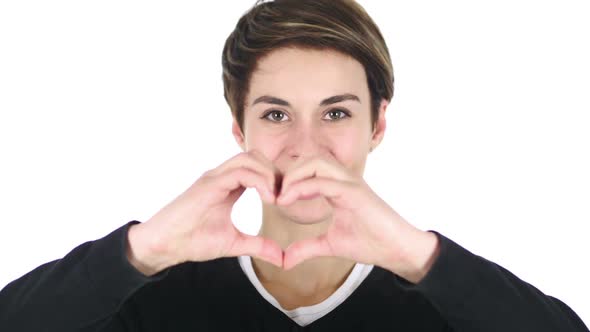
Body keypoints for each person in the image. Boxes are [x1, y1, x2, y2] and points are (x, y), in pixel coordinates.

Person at [0, 0, 588, 331]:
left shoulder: (446, 302)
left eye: (335, 114)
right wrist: (144, 251)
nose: (305, 148)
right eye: (277, 115)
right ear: (240, 129)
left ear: (377, 126)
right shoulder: (152, 302)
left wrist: (420, 258)